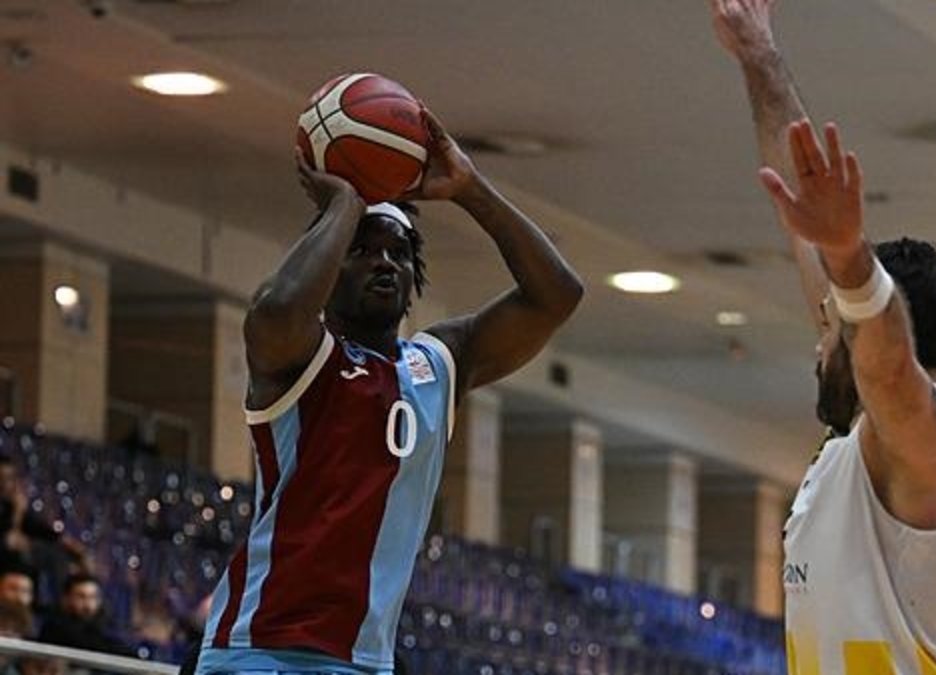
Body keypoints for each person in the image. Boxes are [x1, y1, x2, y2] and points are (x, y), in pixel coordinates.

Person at [197, 106, 582, 674]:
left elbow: (557, 295)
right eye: (362, 249)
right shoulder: (300, 356)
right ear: (329, 266)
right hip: (260, 648)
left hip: (365, 661)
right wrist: (344, 205)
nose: (384, 263)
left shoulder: (439, 364)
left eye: (398, 253)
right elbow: (276, 309)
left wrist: (471, 189)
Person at [712, 1, 936, 673]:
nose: (818, 343)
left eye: (834, 326)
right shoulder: (863, 442)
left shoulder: (934, 448)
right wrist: (759, 57)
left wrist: (851, 258)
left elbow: (890, 374)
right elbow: (802, 206)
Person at [37, 573, 134, 656]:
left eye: (93, 597)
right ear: (66, 598)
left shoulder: (101, 628)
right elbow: (87, 645)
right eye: (81, 597)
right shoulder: (54, 627)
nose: (88, 605)